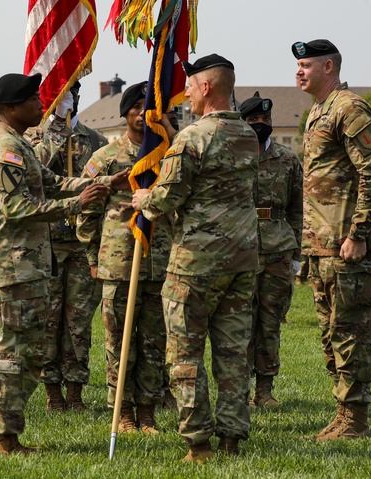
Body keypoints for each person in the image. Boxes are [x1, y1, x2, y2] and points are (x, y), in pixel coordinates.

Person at [0, 72, 126, 456]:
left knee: (2, 350)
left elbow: (52, 180)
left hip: (16, 265)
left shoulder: (17, 144)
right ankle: (5, 439)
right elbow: (18, 208)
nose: (42, 105)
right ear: (10, 108)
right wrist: (80, 204)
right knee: (16, 353)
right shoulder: (6, 148)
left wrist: (104, 183)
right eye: (33, 100)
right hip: (14, 266)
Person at [132, 54, 259, 462]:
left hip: (195, 262)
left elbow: (169, 196)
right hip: (241, 259)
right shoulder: (248, 135)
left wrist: (142, 199)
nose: (185, 91)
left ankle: (199, 443)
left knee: (185, 354)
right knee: (233, 355)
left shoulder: (194, 137)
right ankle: (233, 439)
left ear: (206, 87)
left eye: (190, 84)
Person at [293, 39, 371, 441]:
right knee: (331, 334)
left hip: (346, 247)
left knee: (351, 332)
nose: (299, 72)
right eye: (298, 65)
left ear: (329, 67)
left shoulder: (349, 108)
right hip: (321, 246)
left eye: (306, 65)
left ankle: (356, 420)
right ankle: (342, 412)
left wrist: (358, 234)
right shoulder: (319, 111)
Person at [76, 81, 174, 434]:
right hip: (118, 263)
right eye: (137, 108)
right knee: (119, 341)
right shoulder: (105, 157)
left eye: (150, 109)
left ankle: (147, 411)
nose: (143, 116)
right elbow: (87, 213)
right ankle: (123, 413)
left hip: (160, 262)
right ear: (126, 113)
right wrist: (92, 256)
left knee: (153, 342)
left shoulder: (168, 156)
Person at [28, 80, 108, 412]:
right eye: (61, 92)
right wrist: (56, 128)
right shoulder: (33, 137)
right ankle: (52, 394)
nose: (68, 97)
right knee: (48, 320)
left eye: (72, 91)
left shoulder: (96, 140)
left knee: (78, 321)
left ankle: (75, 391)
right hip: (47, 242)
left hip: (83, 244)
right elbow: (36, 173)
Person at [239, 91, 303, 409]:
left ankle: (264, 391)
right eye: (253, 120)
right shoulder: (232, 157)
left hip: (278, 247)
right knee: (239, 321)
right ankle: (238, 391)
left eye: (265, 120)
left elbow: (297, 209)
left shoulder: (288, 159)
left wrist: (297, 256)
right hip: (241, 248)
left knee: (270, 321)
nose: (261, 124)